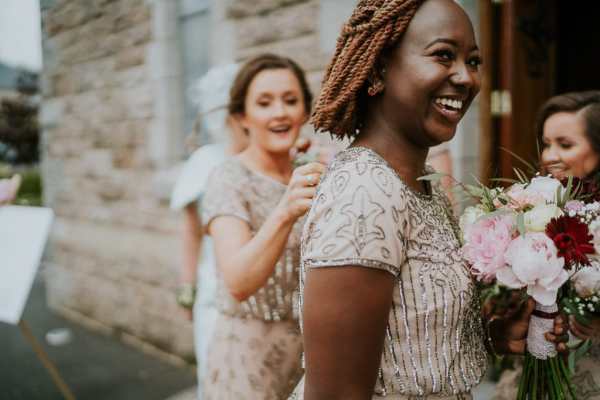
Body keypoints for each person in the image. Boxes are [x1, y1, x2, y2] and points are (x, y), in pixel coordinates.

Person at [292, 1, 568, 399]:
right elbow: (335, 393)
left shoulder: (422, 187)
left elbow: (409, 337)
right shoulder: (366, 193)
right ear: (381, 67)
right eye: (443, 55)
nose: (466, 78)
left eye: (473, 61)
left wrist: (492, 335)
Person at [200, 53, 324, 400]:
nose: (280, 113)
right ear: (243, 117)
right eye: (264, 103)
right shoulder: (229, 178)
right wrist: (285, 211)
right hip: (246, 364)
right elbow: (237, 282)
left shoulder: (311, 172)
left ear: (305, 110)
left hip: (310, 361)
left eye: (290, 100)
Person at [493, 90, 600, 400]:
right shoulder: (529, 204)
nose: (551, 155)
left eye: (565, 145)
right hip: (532, 375)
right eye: (547, 143)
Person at [170, 63, 249, 399]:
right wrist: (186, 287)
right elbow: (190, 230)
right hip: (216, 295)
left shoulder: (283, 160)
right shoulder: (206, 162)